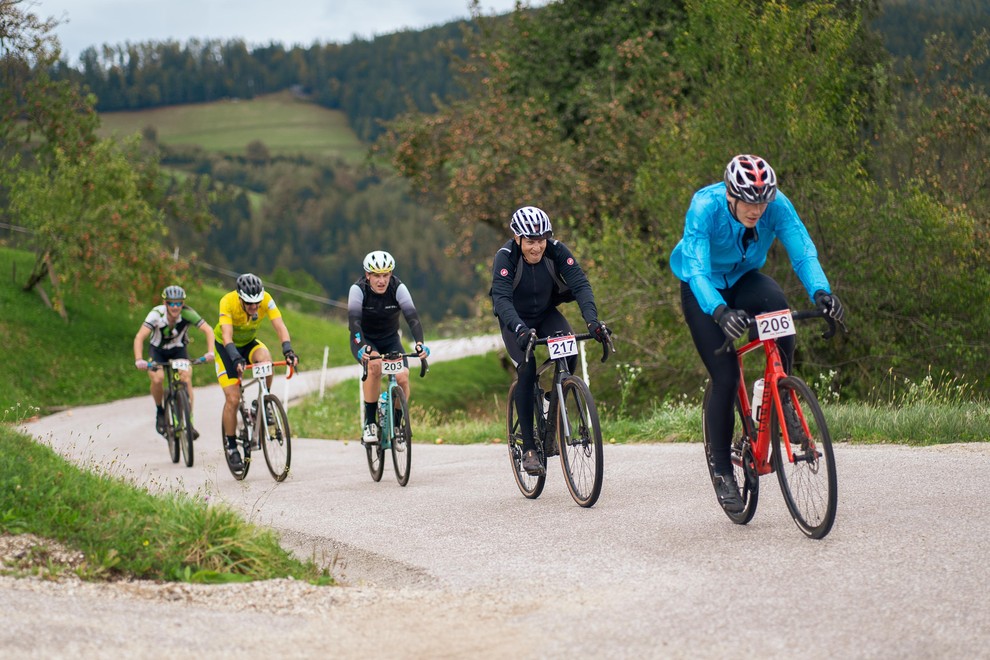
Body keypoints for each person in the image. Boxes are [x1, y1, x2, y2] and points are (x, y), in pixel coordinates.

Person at [670, 154, 845, 513]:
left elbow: (803, 251)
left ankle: (781, 390)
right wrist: (719, 311)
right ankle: (722, 470)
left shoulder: (777, 206)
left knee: (779, 308)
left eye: (763, 200)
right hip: (702, 288)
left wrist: (821, 292)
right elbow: (699, 270)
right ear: (731, 195)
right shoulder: (705, 206)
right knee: (725, 375)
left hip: (745, 280)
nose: (757, 209)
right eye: (749, 200)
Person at [490, 206, 611, 476]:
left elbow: (580, 284)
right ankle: (531, 449)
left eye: (541, 240)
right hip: (515, 322)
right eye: (530, 241)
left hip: (545, 315)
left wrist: (592, 321)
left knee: (569, 355)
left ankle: (550, 401)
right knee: (528, 369)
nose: (537, 247)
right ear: (517, 238)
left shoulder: (557, 251)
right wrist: (520, 328)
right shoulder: (506, 257)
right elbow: (501, 299)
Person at [214, 273, 299, 469]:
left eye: (256, 303)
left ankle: (263, 402)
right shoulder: (227, 302)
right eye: (249, 304)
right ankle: (232, 445)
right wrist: (235, 358)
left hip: (249, 343)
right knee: (233, 399)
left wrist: (288, 350)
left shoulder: (266, 300)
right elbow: (227, 336)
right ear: (240, 297)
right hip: (226, 349)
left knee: (266, 360)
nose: (254, 307)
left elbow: (280, 325)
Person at [348, 250, 430, 444]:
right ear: (368, 275)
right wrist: (361, 346)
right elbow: (354, 323)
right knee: (375, 367)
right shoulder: (358, 290)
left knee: (402, 376)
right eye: (376, 275)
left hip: (390, 339)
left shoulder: (398, 288)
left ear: (390, 274)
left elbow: (413, 319)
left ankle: (398, 426)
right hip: (364, 339)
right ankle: (370, 423)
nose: (381, 280)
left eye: (385, 275)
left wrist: (420, 343)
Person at [133, 285, 215, 438]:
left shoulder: (188, 314)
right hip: (158, 351)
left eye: (179, 303)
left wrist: (210, 352)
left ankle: (189, 423)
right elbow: (139, 337)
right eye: (171, 303)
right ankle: (160, 411)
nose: (175, 306)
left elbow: (208, 330)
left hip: (178, 350)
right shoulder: (156, 314)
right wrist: (139, 359)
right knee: (158, 378)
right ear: (165, 303)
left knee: (186, 377)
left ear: (183, 303)